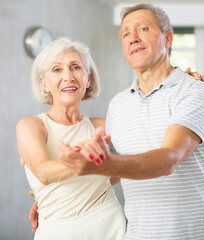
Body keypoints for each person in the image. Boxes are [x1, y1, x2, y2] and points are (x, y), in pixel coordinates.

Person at [58, 3, 204, 240]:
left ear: (168, 38)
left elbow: (169, 158)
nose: (133, 38)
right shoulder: (118, 104)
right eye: (126, 34)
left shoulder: (194, 91)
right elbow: (114, 173)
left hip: (200, 234)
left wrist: (107, 164)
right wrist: (54, 200)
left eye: (143, 29)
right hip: (139, 234)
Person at [16, 38, 126, 240]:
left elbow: (140, 158)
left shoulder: (101, 126)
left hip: (109, 222)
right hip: (56, 229)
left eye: (75, 67)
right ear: (44, 83)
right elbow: (44, 173)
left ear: (88, 79)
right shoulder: (31, 126)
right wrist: (84, 156)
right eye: (57, 70)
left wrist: (188, 81)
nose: (68, 76)